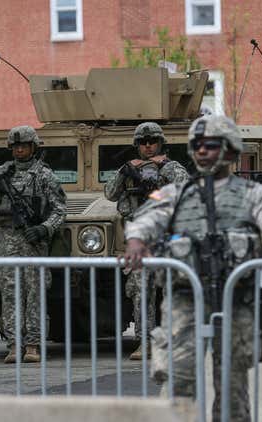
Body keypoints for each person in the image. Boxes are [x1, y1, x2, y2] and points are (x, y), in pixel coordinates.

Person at [123, 115, 262, 421]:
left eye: (211, 145)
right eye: (197, 146)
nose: (202, 151)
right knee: (179, 377)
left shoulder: (251, 193)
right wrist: (136, 240)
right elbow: (146, 219)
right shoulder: (176, 193)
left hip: (236, 298)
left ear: (230, 151)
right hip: (185, 297)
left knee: (232, 383)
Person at [0, 125, 66, 364]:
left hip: (35, 241)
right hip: (8, 239)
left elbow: (59, 209)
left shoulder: (45, 175)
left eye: (23, 145)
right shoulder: (1, 173)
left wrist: (45, 228)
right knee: (10, 293)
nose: (19, 150)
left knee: (35, 294)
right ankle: (14, 345)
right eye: (16, 146)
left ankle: (33, 345)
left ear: (33, 147)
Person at [105, 122, 189, 360]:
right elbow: (110, 194)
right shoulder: (129, 170)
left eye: (152, 141)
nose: (148, 146)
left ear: (161, 143)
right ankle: (145, 342)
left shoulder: (172, 168)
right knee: (141, 293)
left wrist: (164, 171)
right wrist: (124, 171)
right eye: (143, 142)